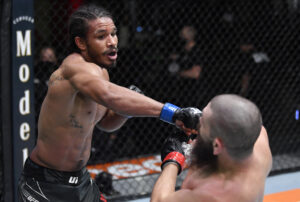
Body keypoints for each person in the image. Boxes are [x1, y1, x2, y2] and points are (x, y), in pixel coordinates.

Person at [18, 4, 201, 202]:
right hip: (45, 184)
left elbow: (105, 123)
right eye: (101, 36)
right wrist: (173, 113)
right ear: (81, 42)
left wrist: (125, 111)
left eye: (113, 34)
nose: (112, 42)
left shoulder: (101, 72)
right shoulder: (72, 68)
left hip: (80, 181)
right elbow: (109, 94)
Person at [151, 94, 272, 202]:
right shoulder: (258, 138)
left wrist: (173, 160)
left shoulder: (213, 193)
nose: (199, 122)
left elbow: (159, 200)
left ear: (217, 145)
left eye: (202, 123)